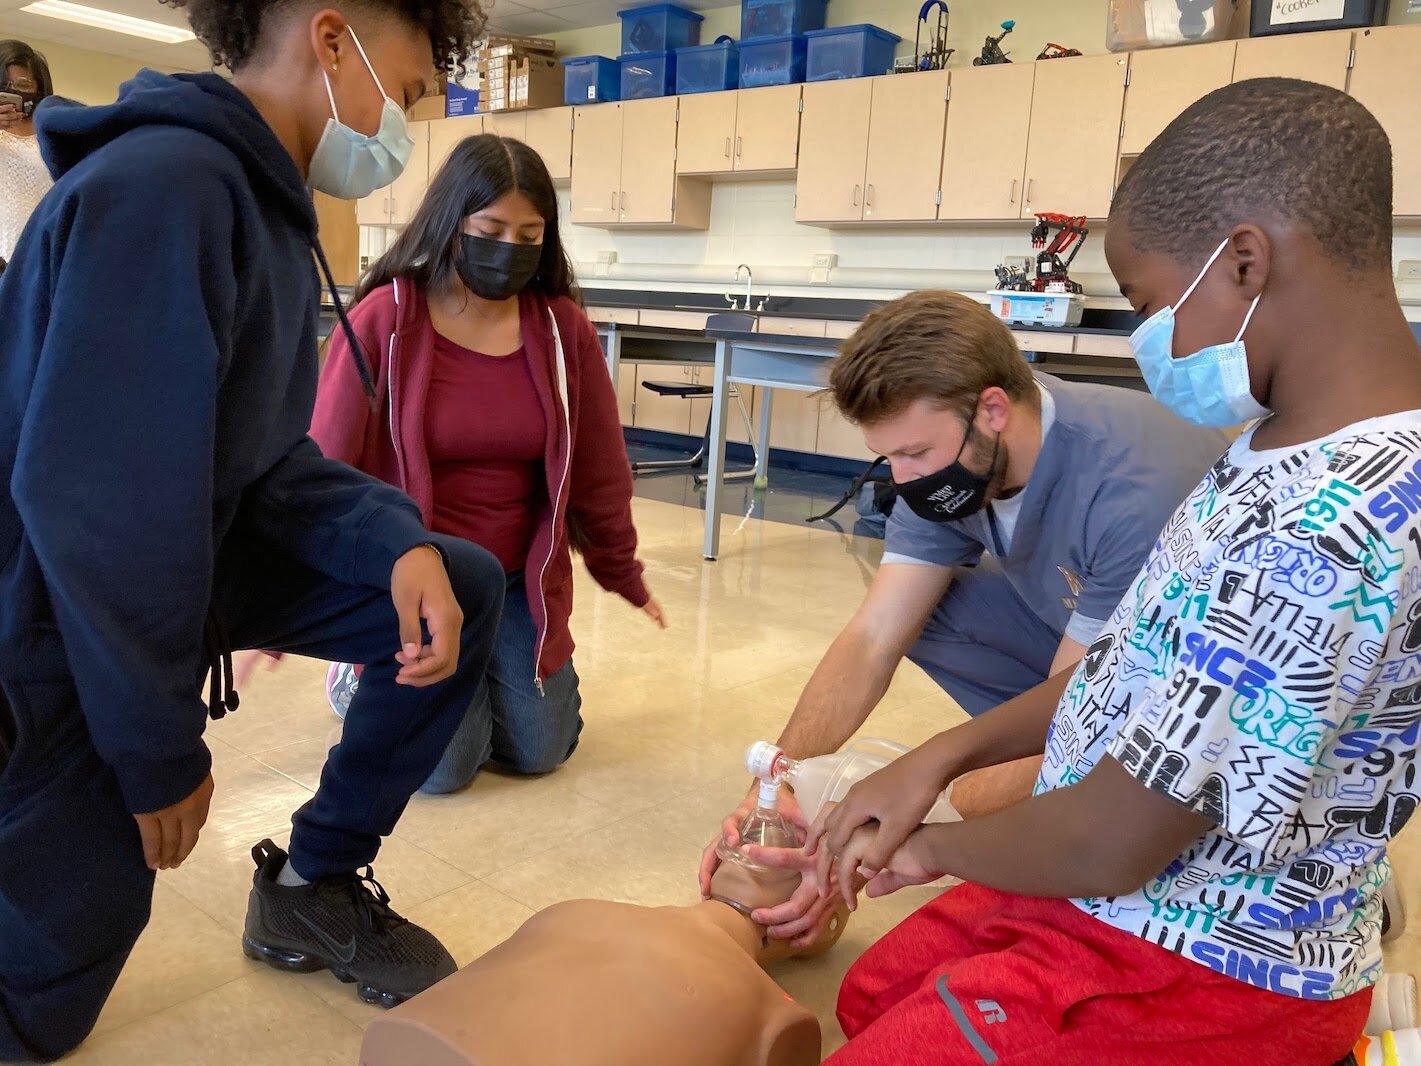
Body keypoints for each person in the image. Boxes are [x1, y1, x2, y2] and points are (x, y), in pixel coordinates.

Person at [807, 78, 1421, 1064]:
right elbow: (1121, 659)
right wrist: (939, 758)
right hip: (1122, 892)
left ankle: (1329, 1036)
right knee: (872, 991)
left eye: (1146, 305)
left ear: (1245, 261)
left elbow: (1113, 838)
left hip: (1211, 961)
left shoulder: (1327, 525)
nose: (1148, 345)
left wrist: (923, 848)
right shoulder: (1275, 442)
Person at [0, 1, 502, 1059]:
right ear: (331, 40)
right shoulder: (165, 191)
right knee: (49, 983)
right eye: (407, 90)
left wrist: (396, 540)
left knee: (456, 577)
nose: (401, 128)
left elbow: (266, 457)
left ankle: (312, 880)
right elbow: (96, 507)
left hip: (187, 543)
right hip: (50, 603)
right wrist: (156, 751)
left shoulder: (266, 209)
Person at [702, 291, 1227, 946]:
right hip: (1082, 637)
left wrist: (893, 832)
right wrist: (773, 789)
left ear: (993, 409)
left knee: (1085, 764)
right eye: (886, 456)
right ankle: (1028, 788)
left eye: (915, 453)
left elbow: (1070, 718)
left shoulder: (1128, 491)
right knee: (930, 607)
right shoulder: (956, 461)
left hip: (1205, 683)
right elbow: (873, 637)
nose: (903, 477)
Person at [310, 133, 662, 795]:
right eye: (492, 228)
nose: (510, 247)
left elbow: (598, 470)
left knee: (540, 751)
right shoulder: (383, 320)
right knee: (445, 771)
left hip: (509, 579)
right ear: (451, 223)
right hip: (416, 577)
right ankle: (355, 673)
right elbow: (325, 462)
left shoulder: (561, 329)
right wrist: (315, 586)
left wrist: (623, 571)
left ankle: (472, 682)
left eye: (529, 233)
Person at [360, 806, 847, 1066]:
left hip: (406, 1040)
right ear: (811, 924)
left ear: (713, 866)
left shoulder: (573, 912)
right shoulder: (776, 1017)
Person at [0, 40, 54, 263]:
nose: (13, 91)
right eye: (5, 83)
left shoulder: (52, 132)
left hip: (38, 253)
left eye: (23, 85)